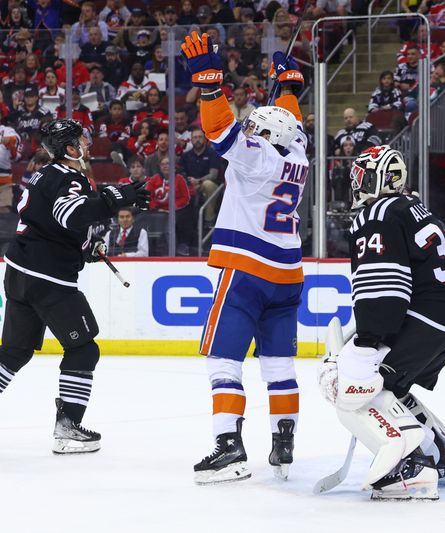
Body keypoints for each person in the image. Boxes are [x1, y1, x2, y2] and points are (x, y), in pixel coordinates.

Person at [0, 118, 150, 454]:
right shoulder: (70, 176)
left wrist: (82, 250)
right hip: (48, 278)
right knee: (84, 348)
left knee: (16, 350)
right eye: (81, 138)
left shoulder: (40, 175)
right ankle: (67, 428)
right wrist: (115, 198)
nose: (87, 142)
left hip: (20, 271)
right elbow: (69, 215)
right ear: (69, 147)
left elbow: (48, 223)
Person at [182, 32, 307, 484]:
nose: (250, 129)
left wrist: (212, 88)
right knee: (279, 365)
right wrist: (287, 87)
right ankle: (283, 441)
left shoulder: (258, 159)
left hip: (246, 272)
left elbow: (221, 132)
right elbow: (290, 126)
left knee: (223, 361)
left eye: (257, 127)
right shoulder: (298, 154)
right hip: (288, 274)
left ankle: (228, 448)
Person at [317, 146, 445, 500]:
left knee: (357, 387)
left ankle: (407, 468)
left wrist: (367, 342)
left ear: (378, 178)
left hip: (430, 315)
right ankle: (438, 456)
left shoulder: (376, 214)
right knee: (392, 383)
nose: (356, 183)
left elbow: (384, 288)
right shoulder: (411, 207)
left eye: (361, 175)